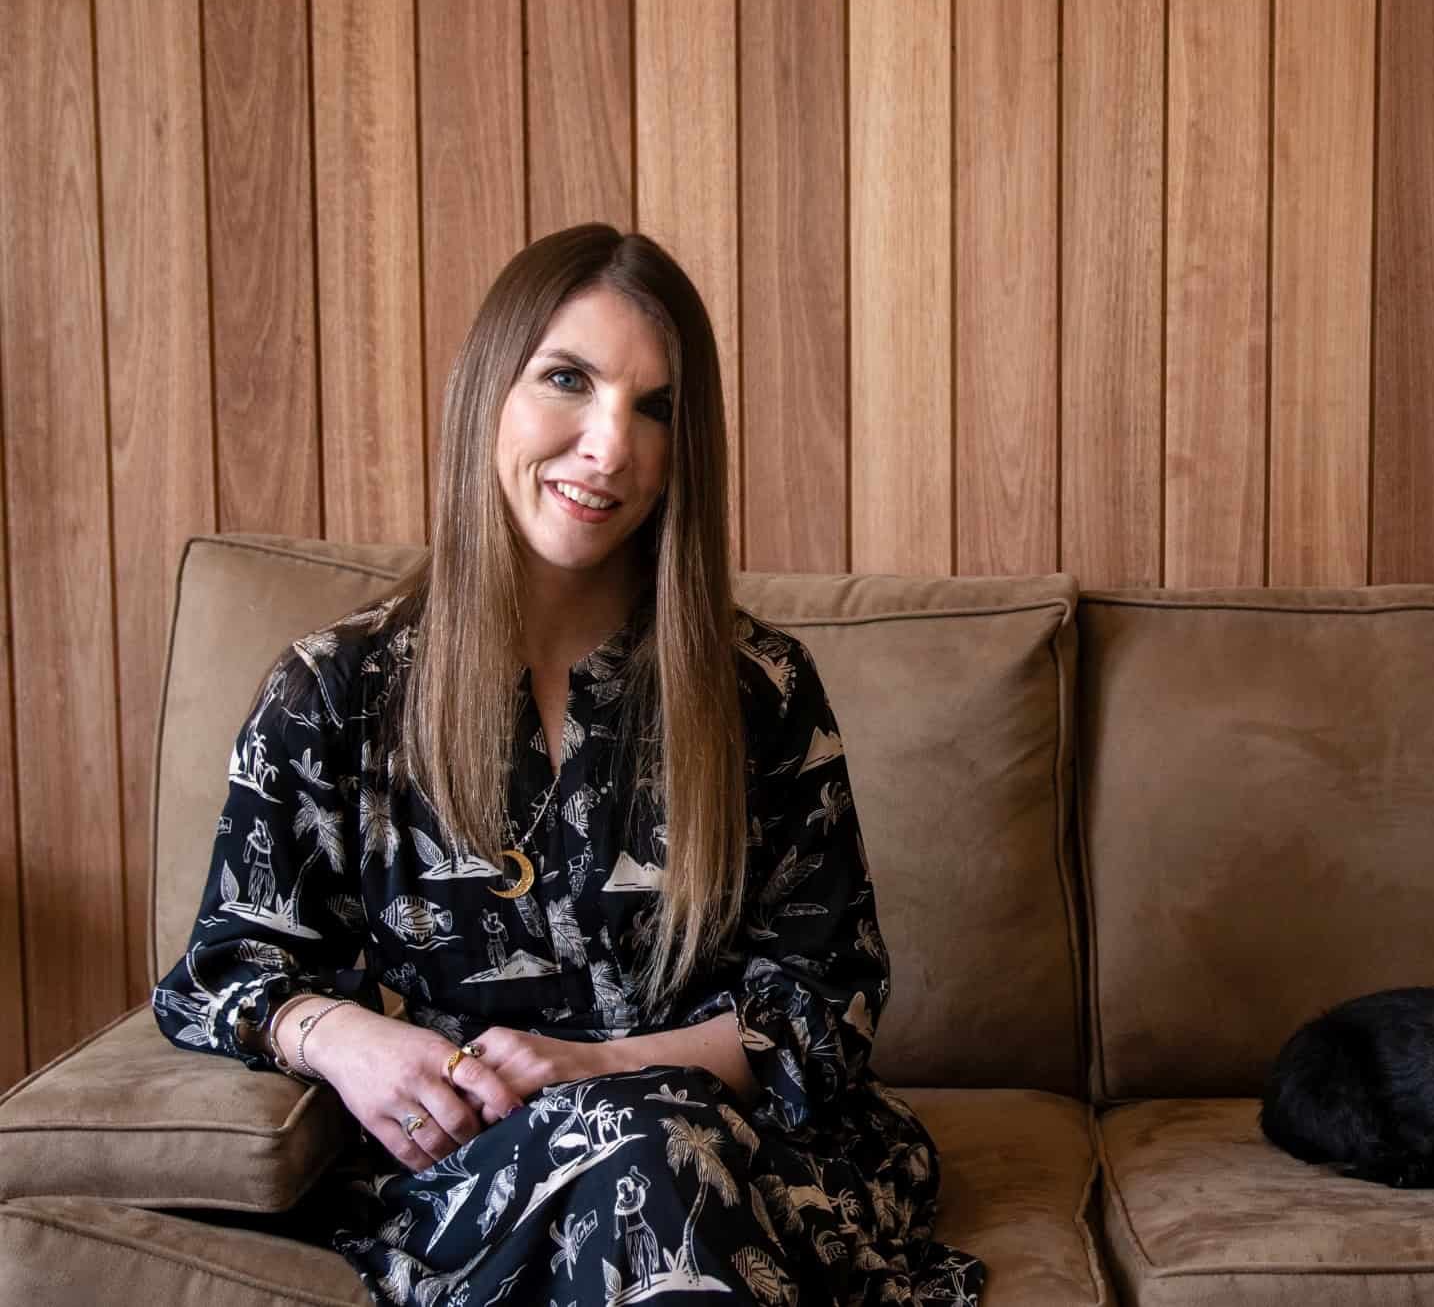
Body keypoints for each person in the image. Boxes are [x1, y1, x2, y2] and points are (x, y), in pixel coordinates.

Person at [154, 224, 986, 1306]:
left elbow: (827, 999)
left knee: (653, 1154)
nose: (609, 446)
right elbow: (225, 967)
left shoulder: (758, 689)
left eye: (654, 408)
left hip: (748, 1160)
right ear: (484, 391)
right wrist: (341, 1038)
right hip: (481, 1179)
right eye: (567, 380)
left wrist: (602, 1068)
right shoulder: (335, 692)